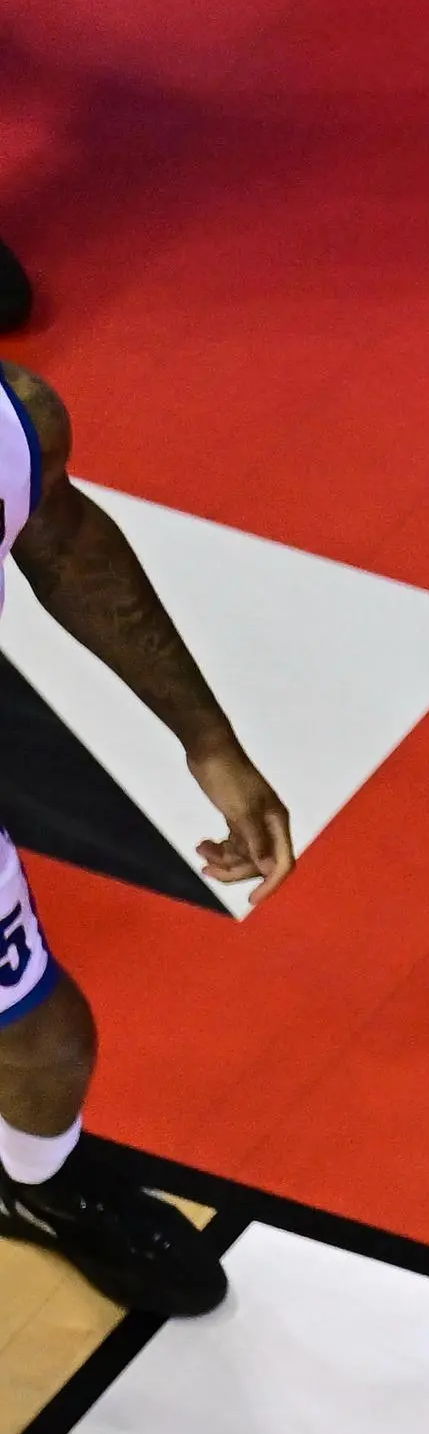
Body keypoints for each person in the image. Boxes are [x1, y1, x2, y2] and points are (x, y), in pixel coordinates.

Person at [0, 358, 297, 1314]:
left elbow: (58, 533)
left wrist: (207, 739)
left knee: (45, 1042)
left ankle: (32, 1183)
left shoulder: (13, 424)